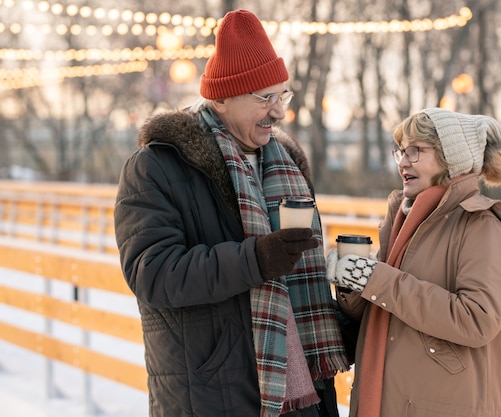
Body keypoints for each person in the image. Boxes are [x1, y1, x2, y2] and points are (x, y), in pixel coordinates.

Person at [114, 9, 349, 417]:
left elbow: (299, 294)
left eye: (283, 95)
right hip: (213, 393)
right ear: (221, 98)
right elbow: (152, 273)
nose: (279, 111)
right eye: (264, 97)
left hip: (302, 393)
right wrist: (254, 259)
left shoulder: (287, 164)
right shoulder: (159, 166)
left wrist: (352, 310)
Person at [326, 108, 501, 417]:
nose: (403, 161)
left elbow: (477, 319)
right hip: (395, 400)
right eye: (401, 152)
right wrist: (352, 281)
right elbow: (383, 308)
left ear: (450, 157)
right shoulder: (404, 220)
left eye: (416, 151)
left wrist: (377, 279)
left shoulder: (480, 225)